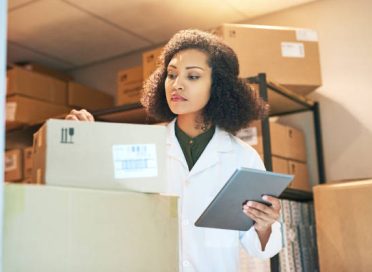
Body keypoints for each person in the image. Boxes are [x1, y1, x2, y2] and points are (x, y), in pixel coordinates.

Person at [66, 29, 282, 271]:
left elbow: (261, 248)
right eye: (171, 74)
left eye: (192, 77)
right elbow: (102, 206)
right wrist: (84, 141)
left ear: (218, 86)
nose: (176, 85)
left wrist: (265, 225)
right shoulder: (142, 146)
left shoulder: (243, 157)